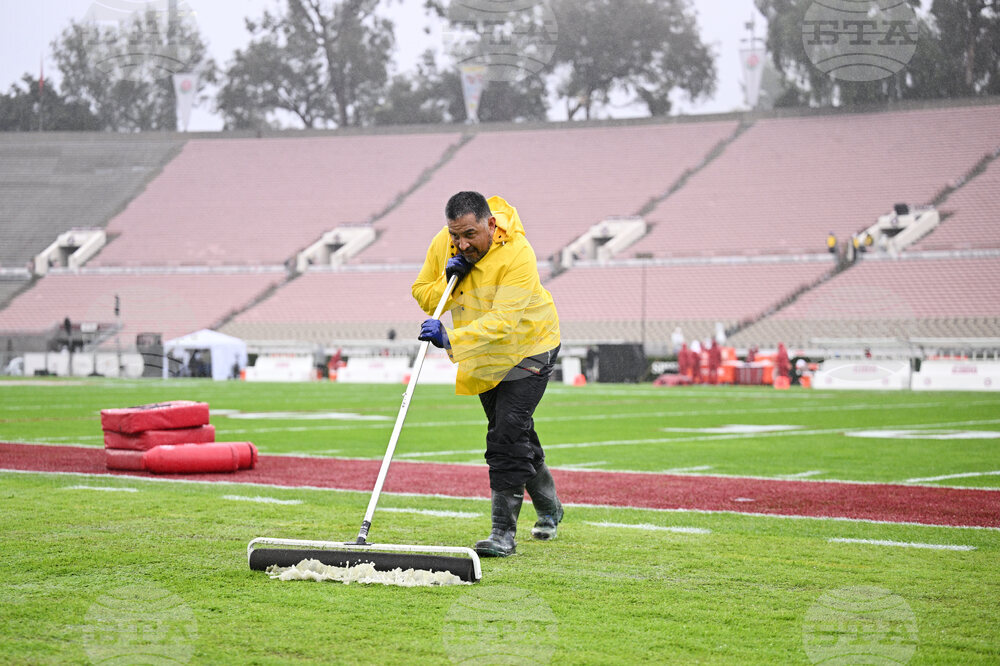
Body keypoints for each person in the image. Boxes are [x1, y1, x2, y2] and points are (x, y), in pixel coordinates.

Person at [412, 192, 563, 558]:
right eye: (455, 236)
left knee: (506, 432)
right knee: (516, 431)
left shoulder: (518, 253)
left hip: (529, 346)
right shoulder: (445, 244)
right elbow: (424, 294)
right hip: (483, 356)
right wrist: (449, 279)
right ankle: (550, 507)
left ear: (491, 225)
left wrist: (451, 337)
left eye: (469, 235)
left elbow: (504, 321)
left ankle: (502, 534)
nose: (461, 244)